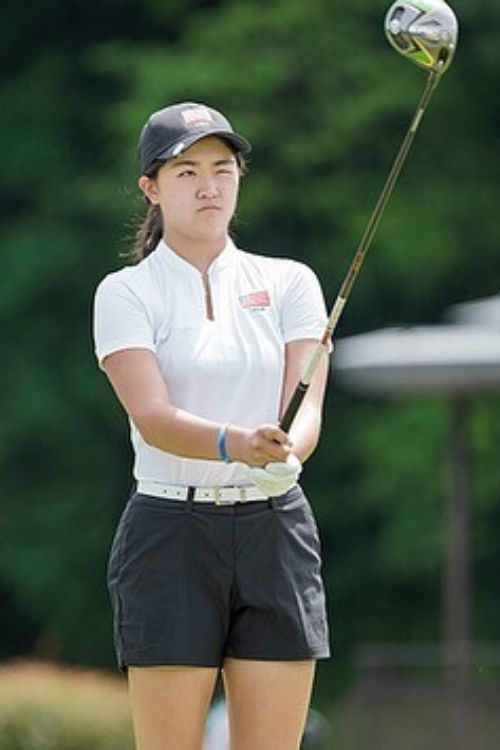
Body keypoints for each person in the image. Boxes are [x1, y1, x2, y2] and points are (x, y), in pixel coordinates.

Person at [93, 101, 331, 750]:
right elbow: (152, 417)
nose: (208, 186)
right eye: (186, 171)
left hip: (275, 528)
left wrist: (287, 451)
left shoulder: (289, 283)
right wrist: (237, 443)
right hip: (170, 531)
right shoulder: (127, 292)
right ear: (151, 187)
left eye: (222, 169)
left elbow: (306, 406)